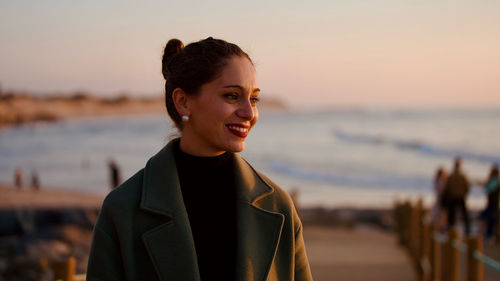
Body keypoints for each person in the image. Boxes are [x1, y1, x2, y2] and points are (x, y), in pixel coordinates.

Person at [87, 37, 313, 281]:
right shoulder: (123, 209)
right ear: (183, 102)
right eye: (232, 96)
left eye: (254, 98)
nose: (249, 113)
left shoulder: (278, 206)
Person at [442, 157, 471, 235]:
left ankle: (452, 230)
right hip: (459, 197)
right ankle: (465, 230)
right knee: (462, 215)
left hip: (454, 197)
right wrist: (463, 193)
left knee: (453, 216)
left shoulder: (452, 176)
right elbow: (467, 186)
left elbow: (447, 188)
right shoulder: (461, 176)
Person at [479, 164, 499, 242]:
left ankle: (490, 234)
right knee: (490, 219)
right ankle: (489, 234)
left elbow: (488, 188)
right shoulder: (494, 180)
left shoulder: (495, 180)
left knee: (490, 219)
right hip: (492, 203)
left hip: (493, 203)